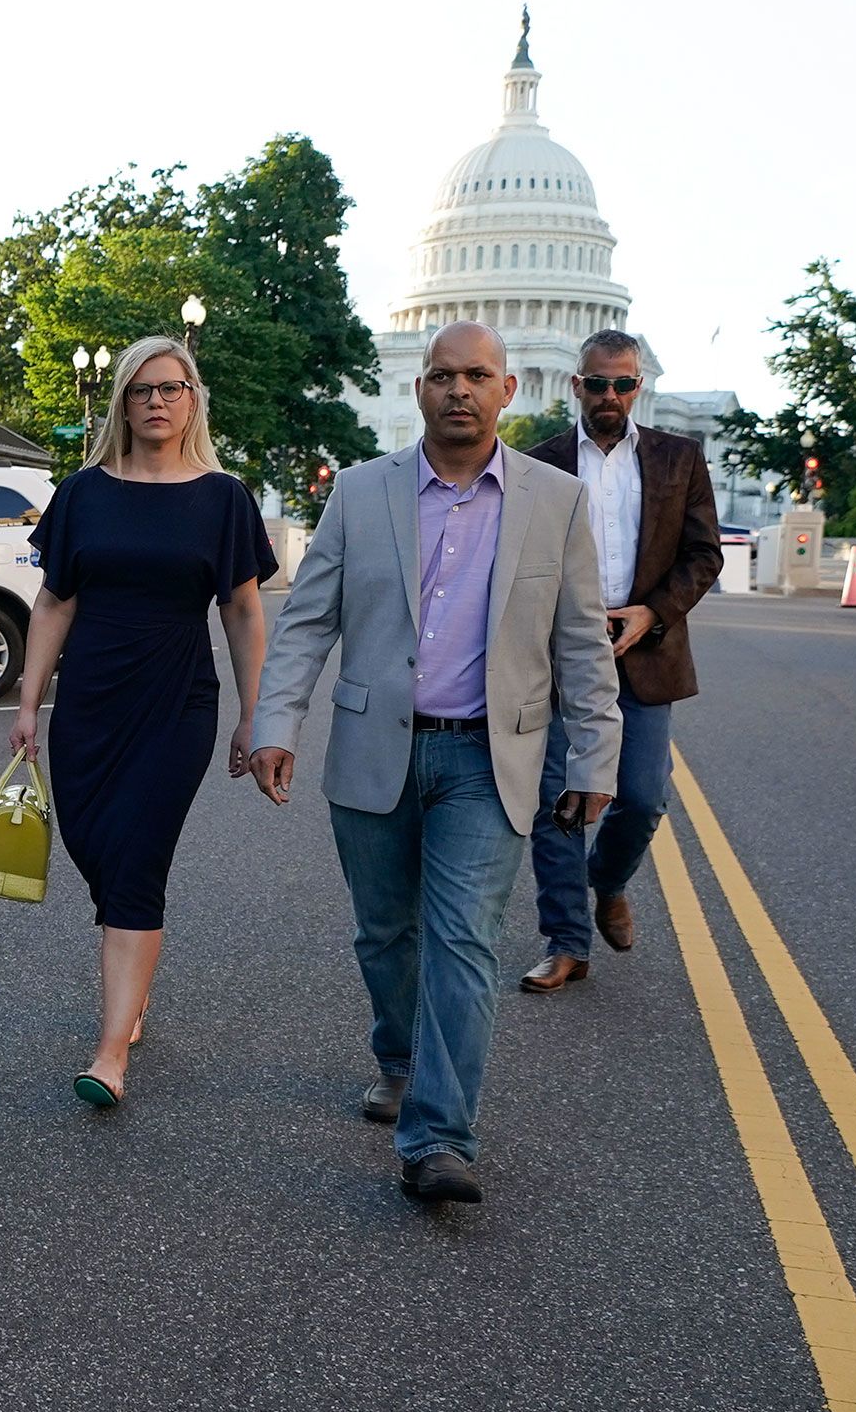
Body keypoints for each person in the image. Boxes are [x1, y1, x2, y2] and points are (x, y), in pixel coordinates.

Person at [249, 323, 619, 1204]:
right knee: (385, 932)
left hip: (487, 761)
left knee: (463, 938)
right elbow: (308, 620)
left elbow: (581, 640)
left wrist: (595, 755)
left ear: (510, 389)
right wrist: (276, 722)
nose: (460, 389)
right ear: (420, 390)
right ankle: (401, 1058)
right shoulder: (361, 491)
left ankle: (439, 1138)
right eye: (444, 376)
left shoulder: (557, 501)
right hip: (377, 747)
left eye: (477, 375)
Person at [9, 337, 276, 1108]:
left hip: (177, 705)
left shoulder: (223, 498)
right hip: (90, 703)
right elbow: (55, 602)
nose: (156, 402)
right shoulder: (83, 492)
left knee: (135, 861)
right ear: (122, 402)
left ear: (193, 399)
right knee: (94, 845)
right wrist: (27, 703)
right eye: (140, 391)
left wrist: (255, 714)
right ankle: (135, 979)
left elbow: (243, 609)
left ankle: (108, 1050)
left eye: (172, 388)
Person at [517, 331, 724, 992]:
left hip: (644, 643)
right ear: (576, 385)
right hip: (558, 648)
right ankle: (566, 940)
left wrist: (652, 612)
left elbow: (704, 554)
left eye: (624, 383)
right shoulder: (537, 463)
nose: (611, 395)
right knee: (557, 800)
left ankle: (606, 883)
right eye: (598, 383)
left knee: (640, 795)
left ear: (640, 386)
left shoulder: (679, 458)